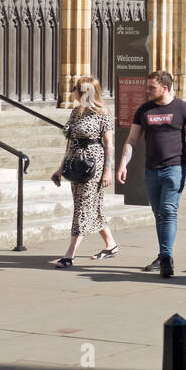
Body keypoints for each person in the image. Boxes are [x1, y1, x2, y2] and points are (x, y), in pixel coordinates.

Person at [117, 70, 186, 279]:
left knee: (168, 211)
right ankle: (164, 254)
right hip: (151, 170)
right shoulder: (144, 110)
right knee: (158, 213)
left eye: (151, 87)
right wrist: (123, 164)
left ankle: (165, 257)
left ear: (165, 87)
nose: (147, 90)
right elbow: (132, 140)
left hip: (174, 168)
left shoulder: (183, 109)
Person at [50, 76, 118, 268]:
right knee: (91, 207)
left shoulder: (103, 113)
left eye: (76, 88)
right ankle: (111, 245)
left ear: (86, 91)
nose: (72, 91)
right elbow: (70, 143)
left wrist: (107, 171)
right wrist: (60, 169)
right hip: (76, 163)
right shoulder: (76, 112)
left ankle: (69, 254)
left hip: (93, 165)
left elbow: (109, 145)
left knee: (82, 207)